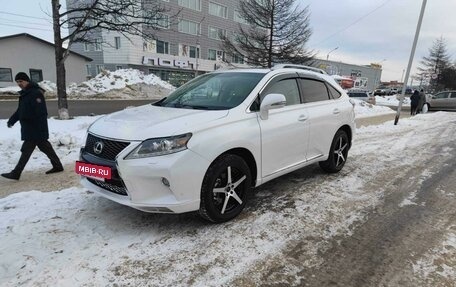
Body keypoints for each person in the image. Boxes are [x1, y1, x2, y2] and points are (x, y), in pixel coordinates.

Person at [1, 72, 63, 180]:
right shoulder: (25, 93)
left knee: (26, 150)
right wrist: (12, 120)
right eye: (17, 82)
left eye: (21, 81)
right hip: (31, 128)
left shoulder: (35, 93)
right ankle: (58, 166)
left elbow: (40, 112)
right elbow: (20, 110)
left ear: (27, 81)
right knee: (46, 148)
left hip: (35, 128)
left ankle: (16, 173)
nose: (19, 83)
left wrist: (27, 119)